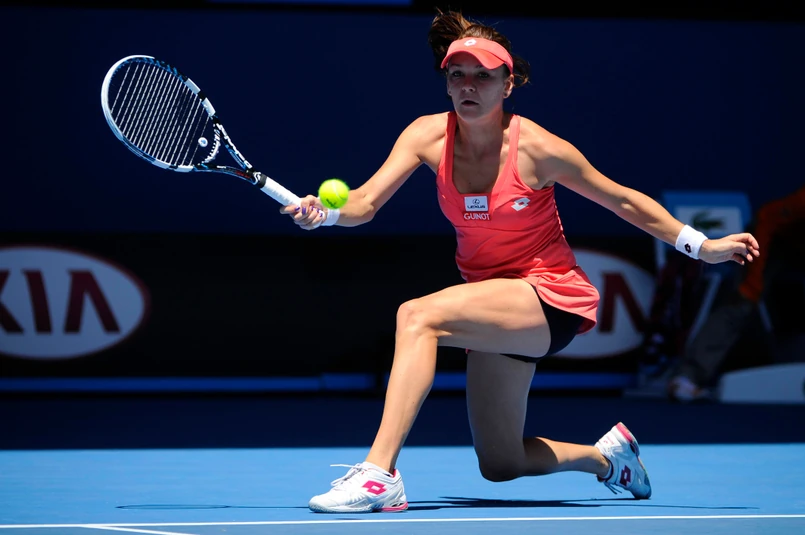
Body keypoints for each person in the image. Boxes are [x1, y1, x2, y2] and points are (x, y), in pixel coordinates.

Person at [281, 10, 760, 513]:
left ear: (508, 85)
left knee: (417, 316)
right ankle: (607, 460)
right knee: (501, 462)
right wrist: (326, 213)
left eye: (483, 76)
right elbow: (364, 202)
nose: (468, 86)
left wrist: (701, 246)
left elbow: (622, 200)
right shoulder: (426, 136)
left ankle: (381, 474)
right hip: (493, 303)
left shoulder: (538, 149)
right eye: (457, 75)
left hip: (549, 297)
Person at [665, 184, 805, 401]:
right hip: (772, 243)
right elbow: (767, 218)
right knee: (741, 301)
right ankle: (688, 377)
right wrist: (753, 281)